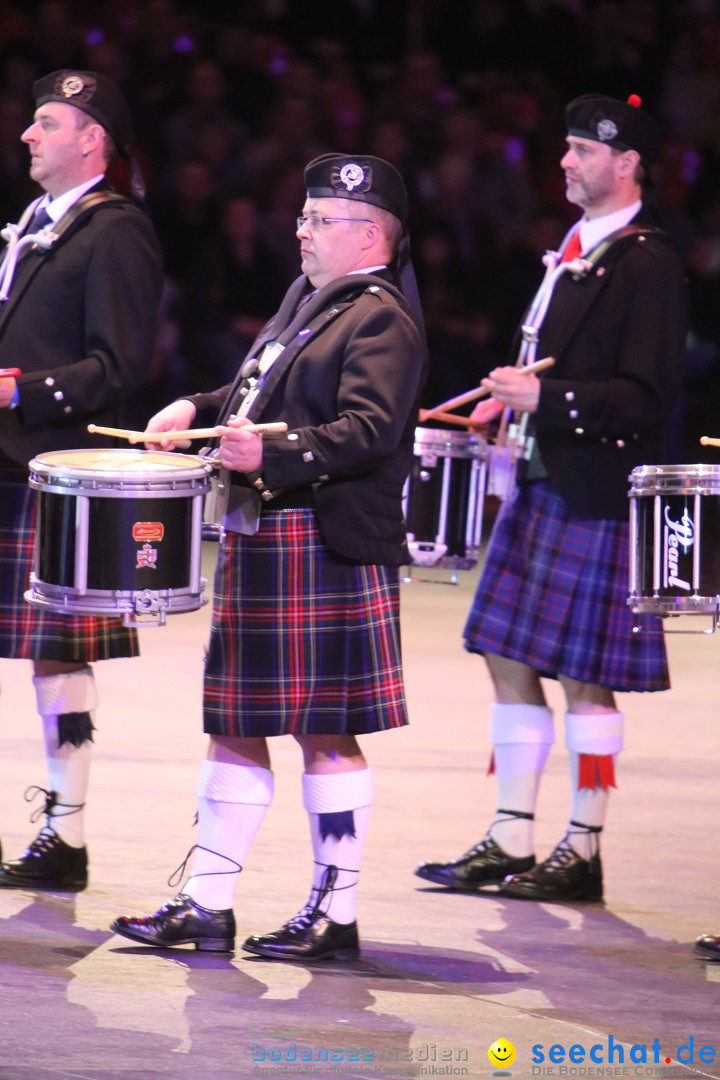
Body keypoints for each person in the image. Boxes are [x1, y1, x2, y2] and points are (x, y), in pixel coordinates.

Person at [109, 153, 427, 957]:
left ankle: (337, 913)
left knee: (325, 732)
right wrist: (199, 406)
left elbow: (369, 430)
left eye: (319, 220)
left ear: (370, 234)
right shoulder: (310, 299)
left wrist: (270, 460)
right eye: (304, 216)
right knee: (235, 725)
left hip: (323, 542)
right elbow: (262, 393)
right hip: (267, 537)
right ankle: (207, 906)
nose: (301, 231)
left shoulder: (381, 316)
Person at [415, 94, 689, 903]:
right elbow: (550, 360)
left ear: (625, 162)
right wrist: (509, 395)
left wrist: (549, 402)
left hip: (595, 492)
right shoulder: (575, 250)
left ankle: (583, 844)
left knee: (584, 679)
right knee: (504, 654)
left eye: (579, 150)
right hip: (542, 480)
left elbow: (646, 396)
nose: (564, 163)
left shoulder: (647, 262)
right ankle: (509, 834)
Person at [0, 70, 163, 890]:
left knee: (57, 658)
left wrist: (18, 389)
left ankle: (65, 834)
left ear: (91, 138)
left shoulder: (115, 230)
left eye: (46, 122)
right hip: (7, 463)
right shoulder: (35, 221)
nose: (28, 135)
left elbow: (119, 367)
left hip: (50, 474)